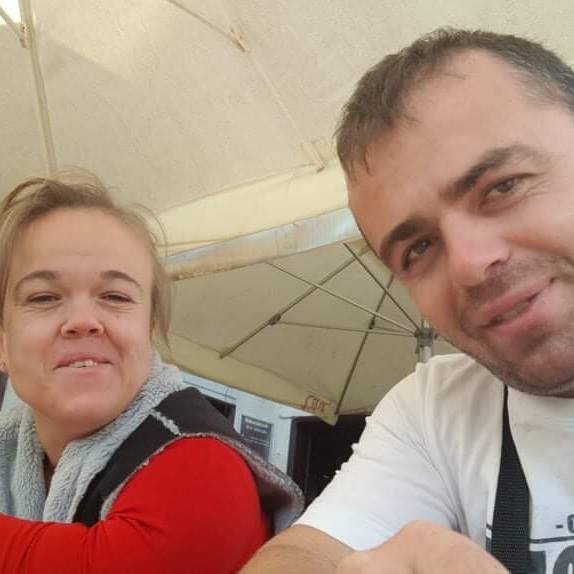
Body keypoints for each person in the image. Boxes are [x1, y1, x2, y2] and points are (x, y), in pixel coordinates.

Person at [241, 28, 574, 574]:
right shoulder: (436, 411)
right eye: (417, 249)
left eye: (502, 186)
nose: (469, 264)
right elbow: (301, 556)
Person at [0, 175, 302, 573]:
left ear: (150, 331)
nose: (83, 320)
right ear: (3, 343)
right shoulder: (14, 448)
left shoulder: (205, 469)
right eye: (43, 297)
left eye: (115, 296)